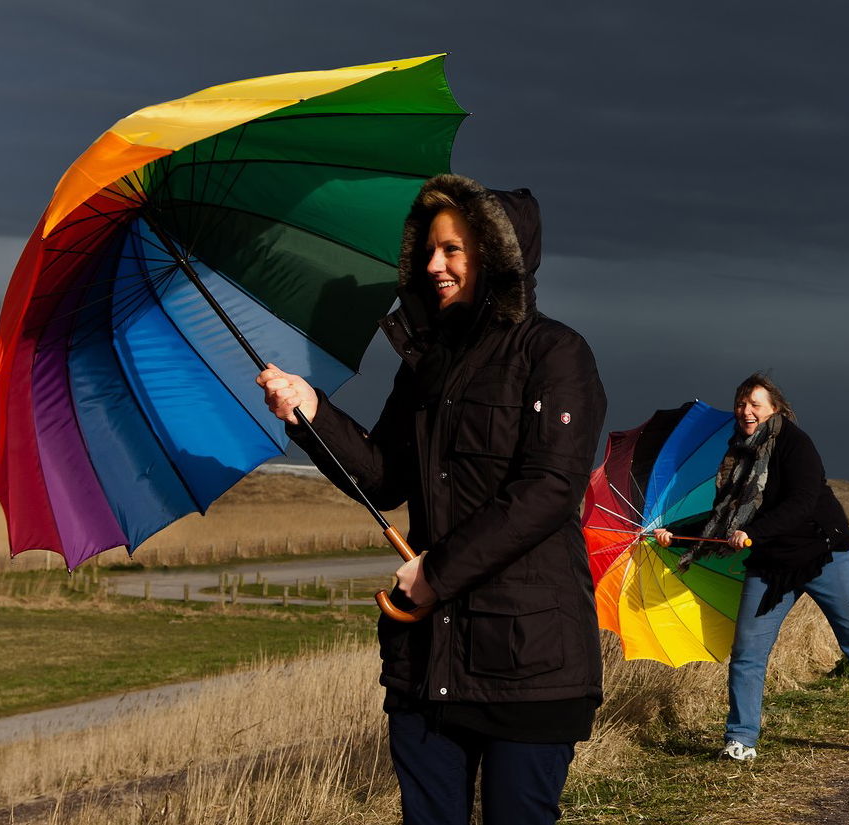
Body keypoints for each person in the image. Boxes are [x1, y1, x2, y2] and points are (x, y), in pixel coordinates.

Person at [256, 174, 607, 825]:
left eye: (453, 249)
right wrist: (310, 413)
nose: (433, 264)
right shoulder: (427, 362)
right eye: (428, 250)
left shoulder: (556, 354)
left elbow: (550, 490)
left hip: (528, 665)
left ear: (497, 256)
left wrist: (435, 571)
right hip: (426, 664)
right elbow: (385, 474)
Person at [653, 374, 849, 761]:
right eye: (741, 403)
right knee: (748, 652)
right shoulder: (738, 454)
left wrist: (753, 532)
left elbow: (803, 502)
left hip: (825, 553)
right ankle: (741, 740)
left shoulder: (794, 443)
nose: (746, 411)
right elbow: (723, 517)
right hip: (772, 563)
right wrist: (675, 533)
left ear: (775, 408)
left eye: (755, 403)